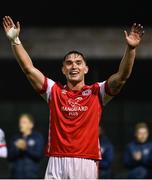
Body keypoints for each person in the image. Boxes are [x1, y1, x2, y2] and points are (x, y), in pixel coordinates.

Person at [2, 16, 144, 179]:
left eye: (78, 62)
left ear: (86, 68)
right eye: (69, 63)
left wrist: (131, 49)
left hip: (85, 161)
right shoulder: (53, 91)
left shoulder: (97, 92)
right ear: (63, 70)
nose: (74, 66)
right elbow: (28, 69)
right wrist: (15, 40)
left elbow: (122, 77)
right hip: (56, 160)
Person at [8, 113, 44, 179]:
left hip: (32, 176)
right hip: (16, 176)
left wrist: (26, 148)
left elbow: (39, 155)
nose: (20, 124)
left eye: (24, 122)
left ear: (31, 125)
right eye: (20, 122)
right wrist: (17, 149)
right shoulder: (15, 138)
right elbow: (9, 156)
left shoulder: (37, 137)